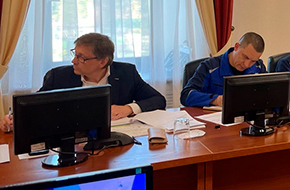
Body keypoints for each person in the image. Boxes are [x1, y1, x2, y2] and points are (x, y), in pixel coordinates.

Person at [1, 32, 166, 132]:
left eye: (81, 57)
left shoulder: (126, 73)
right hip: (71, 144)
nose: (74, 61)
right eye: (75, 54)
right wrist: (13, 119)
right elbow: (33, 107)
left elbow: (158, 100)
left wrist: (128, 108)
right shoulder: (59, 76)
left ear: (103, 61)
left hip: (114, 142)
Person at [181, 32, 266, 107]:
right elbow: (186, 95)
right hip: (214, 118)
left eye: (253, 61)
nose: (246, 65)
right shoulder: (210, 67)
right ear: (236, 47)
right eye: (245, 57)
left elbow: (268, 93)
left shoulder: (258, 67)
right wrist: (216, 100)